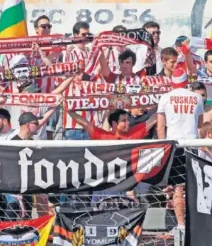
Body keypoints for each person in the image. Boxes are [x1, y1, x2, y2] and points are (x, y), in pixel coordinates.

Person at [156, 68, 204, 231]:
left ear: (172, 82)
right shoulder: (197, 97)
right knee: (193, 186)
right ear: (186, 82)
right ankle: (195, 221)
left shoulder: (165, 98)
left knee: (178, 187)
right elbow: (199, 126)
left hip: (174, 146)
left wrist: (163, 150)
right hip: (192, 145)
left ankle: (181, 224)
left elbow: (160, 128)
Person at [68, 109, 156, 140]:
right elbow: (84, 123)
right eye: (124, 121)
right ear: (114, 123)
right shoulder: (103, 136)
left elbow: (153, 120)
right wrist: (67, 110)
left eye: (128, 120)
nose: (128, 123)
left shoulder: (134, 133)